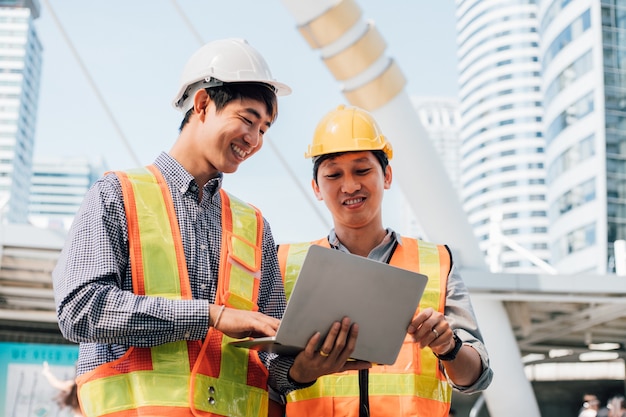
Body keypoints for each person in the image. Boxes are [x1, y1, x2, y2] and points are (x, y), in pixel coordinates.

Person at [53, 39, 365, 417]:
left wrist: (303, 369)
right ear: (202, 104)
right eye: (248, 120)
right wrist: (210, 316)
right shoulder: (117, 195)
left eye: (265, 129)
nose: (255, 140)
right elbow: (80, 309)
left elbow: (271, 362)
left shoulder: (254, 226)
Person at [273, 104, 493, 416]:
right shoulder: (285, 264)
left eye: (362, 170)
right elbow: (265, 376)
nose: (349, 186)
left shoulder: (437, 262)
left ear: (387, 176)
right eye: (334, 174)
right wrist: (299, 371)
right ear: (316, 189)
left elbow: (476, 377)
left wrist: (449, 347)